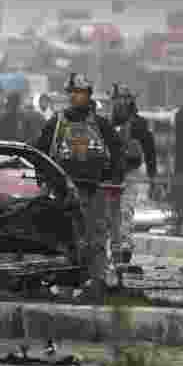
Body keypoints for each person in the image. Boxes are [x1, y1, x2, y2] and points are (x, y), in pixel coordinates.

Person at [32, 73, 123, 290]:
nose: (76, 97)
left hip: (95, 190)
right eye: (73, 93)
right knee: (67, 238)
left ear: (88, 96)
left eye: (81, 93)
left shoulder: (101, 125)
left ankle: (97, 283)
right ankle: (66, 283)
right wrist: (42, 179)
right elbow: (40, 152)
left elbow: (118, 152)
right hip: (64, 192)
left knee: (97, 238)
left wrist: (114, 176)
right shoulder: (56, 123)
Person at [109, 83, 158, 266]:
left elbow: (150, 150)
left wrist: (153, 177)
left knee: (125, 210)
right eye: (117, 99)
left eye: (123, 98)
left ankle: (125, 248)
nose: (120, 102)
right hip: (110, 175)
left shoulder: (138, 123)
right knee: (111, 213)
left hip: (130, 173)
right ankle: (116, 248)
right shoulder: (106, 123)